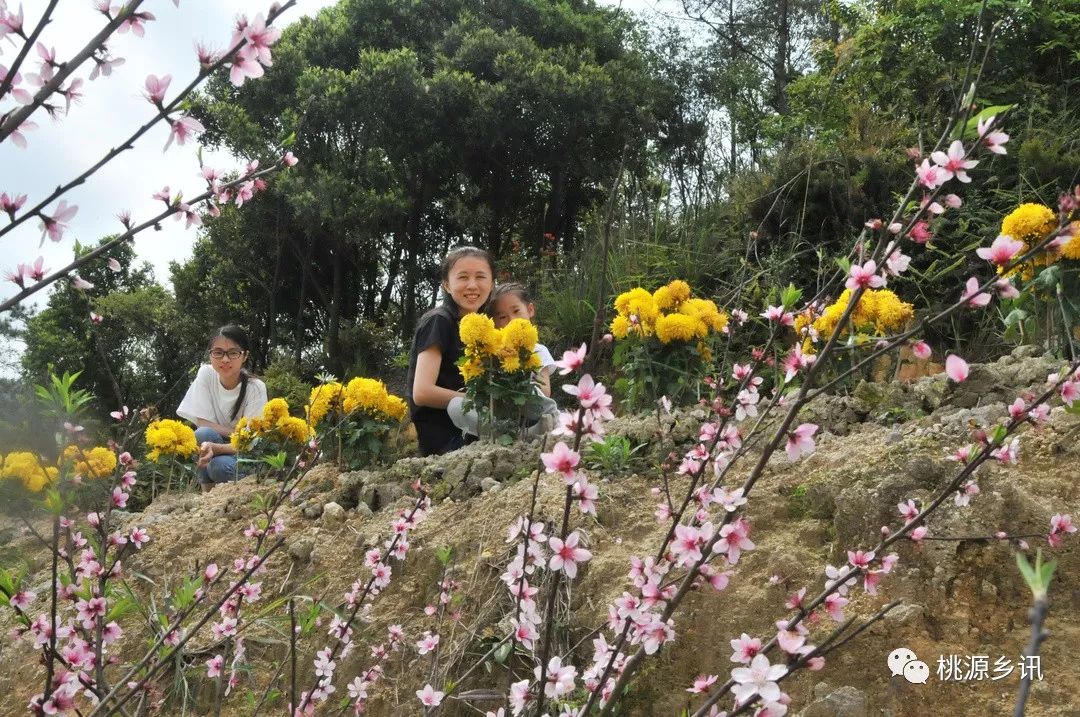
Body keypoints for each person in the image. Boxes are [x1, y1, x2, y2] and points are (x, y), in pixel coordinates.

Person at [407, 246, 496, 456]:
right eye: (463, 277)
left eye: (481, 277)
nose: (472, 285)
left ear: (492, 284)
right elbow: (421, 392)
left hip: (473, 431)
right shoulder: (439, 321)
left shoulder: (483, 327)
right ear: (447, 285)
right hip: (447, 440)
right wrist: (479, 403)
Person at [445, 282, 560, 442]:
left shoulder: (538, 349)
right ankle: (502, 434)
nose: (511, 320)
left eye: (516, 311)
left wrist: (518, 383)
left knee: (546, 406)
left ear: (530, 310)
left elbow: (544, 391)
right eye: (502, 317)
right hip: (496, 413)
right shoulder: (489, 353)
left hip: (528, 408)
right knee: (455, 406)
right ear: (494, 322)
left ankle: (542, 427)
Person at [177, 325, 268, 490]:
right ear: (210, 355)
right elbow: (202, 423)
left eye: (233, 353)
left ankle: (235, 498)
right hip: (226, 442)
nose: (225, 360)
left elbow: (249, 444)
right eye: (218, 353)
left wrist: (217, 447)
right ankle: (207, 497)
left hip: (246, 455)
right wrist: (235, 434)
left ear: (245, 355)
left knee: (219, 466)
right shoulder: (206, 374)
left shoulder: (255, 388)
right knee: (202, 434)